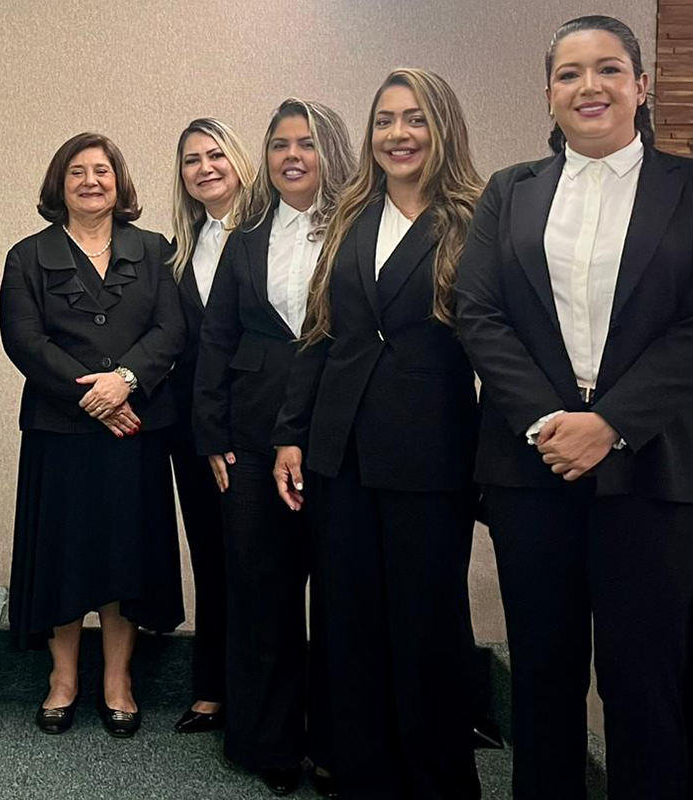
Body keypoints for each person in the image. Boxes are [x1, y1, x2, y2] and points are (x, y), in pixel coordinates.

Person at [454, 15, 693, 800]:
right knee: (542, 670)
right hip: (529, 464)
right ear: (549, 95)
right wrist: (549, 422)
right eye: (570, 74)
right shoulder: (509, 191)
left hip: (655, 464)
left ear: (643, 86)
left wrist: (608, 425)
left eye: (608, 69)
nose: (589, 87)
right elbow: (480, 314)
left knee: (644, 677)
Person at [272, 69, 483, 799]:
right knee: (349, 622)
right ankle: (364, 776)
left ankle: (437, 783)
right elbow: (320, 334)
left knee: (426, 630)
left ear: (442, 129)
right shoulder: (349, 218)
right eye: (386, 121)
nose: (399, 134)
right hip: (341, 455)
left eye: (415, 119)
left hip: (431, 457)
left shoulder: (474, 218)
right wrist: (292, 434)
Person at [193, 98, 355, 797]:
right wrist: (211, 436)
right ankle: (268, 740)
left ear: (332, 153)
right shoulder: (247, 238)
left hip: (342, 434)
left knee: (344, 594)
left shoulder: (359, 228)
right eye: (280, 144)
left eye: (307, 144)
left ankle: (340, 742)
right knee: (262, 588)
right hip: (251, 441)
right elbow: (217, 340)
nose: (292, 156)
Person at [1, 132, 186, 739]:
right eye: (76, 171)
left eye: (101, 171)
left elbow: (171, 329)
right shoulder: (27, 256)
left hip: (135, 429)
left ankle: (117, 679)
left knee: (122, 553)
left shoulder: (156, 249)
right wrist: (93, 397)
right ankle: (62, 678)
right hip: (61, 430)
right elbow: (25, 342)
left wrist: (125, 381)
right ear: (59, 185)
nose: (89, 181)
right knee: (63, 552)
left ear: (119, 181)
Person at [166, 118, 255, 734]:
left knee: (255, 560)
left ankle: (257, 695)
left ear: (239, 161)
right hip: (191, 425)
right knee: (210, 553)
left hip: (252, 423)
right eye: (191, 160)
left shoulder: (267, 234)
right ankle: (212, 687)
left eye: (215, 155)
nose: (205, 168)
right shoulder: (180, 248)